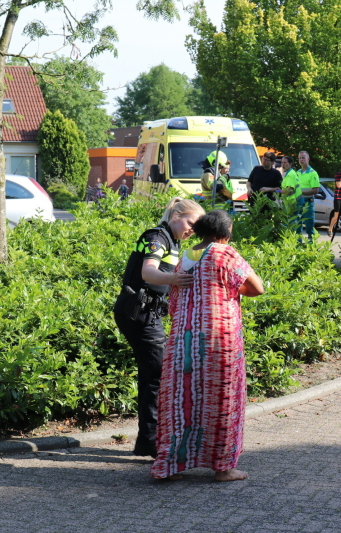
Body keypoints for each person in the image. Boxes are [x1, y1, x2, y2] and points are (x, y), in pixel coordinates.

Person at [150, 210, 264, 482]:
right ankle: (223, 468)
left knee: (180, 402)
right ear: (224, 232)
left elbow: (174, 305)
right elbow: (256, 288)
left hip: (182, 341)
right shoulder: (225, 253)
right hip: (218, 340)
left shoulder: (185, 259)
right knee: (222, 401)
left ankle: (170, 466)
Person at [113, 197, 206, 458]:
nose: (192, 230)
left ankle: (147, 440)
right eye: (190, 222)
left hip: (147, 313)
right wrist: (174, 279)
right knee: (158, 375)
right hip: (138, 313)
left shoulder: (173, 240)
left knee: (152, 375)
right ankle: (152, 442)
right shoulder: (158, 236)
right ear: (176, 214)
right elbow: (148, 272)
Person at [296, 150, 320, 241]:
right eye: (299, 158)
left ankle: (311, 247)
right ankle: (298, 246)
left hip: (308, 202)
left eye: (303, 158)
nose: (301, 160)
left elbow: (316, 190)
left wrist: (301, 192)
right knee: (297, 226)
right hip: (298, 202)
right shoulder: (297, 172)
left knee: (309, 226)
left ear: (308, 159)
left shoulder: (313, 173)